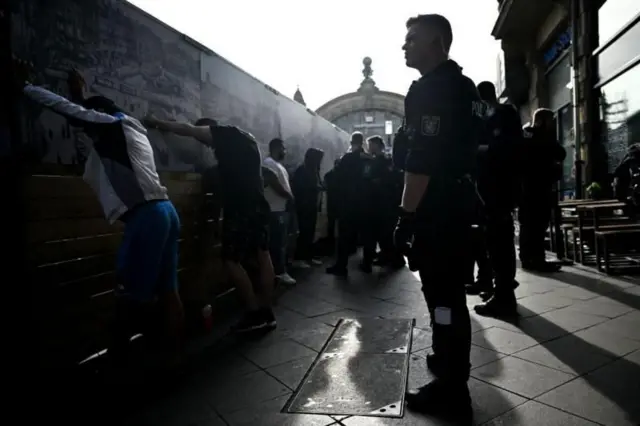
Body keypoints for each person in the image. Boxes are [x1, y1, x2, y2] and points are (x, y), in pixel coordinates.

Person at [16, 66, 184, 366]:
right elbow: (85, 113)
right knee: (168, 290)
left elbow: (71, 111)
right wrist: (82, 95)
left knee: (131, 298)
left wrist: (26, 87)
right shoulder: (132, 129)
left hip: (145, 218)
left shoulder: (110, 124)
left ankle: (134, 365)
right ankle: (173, 357)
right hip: (166, 212)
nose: (87, 130)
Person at [393, 14, 482, 423]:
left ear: (436, 42)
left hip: (437, 209)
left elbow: (422, 160)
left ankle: (452, 386)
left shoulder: (432, 90)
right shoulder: (461, 87)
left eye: (412, 39)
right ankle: (447, 359)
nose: (404, 46)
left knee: (443, 296)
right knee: (445, 295)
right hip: (456, 205)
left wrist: (406, 216)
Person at [143, 115, 277, 333]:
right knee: (263, 255)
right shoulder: (248, 139)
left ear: (209, 129)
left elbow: (187, 129)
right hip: (258, 206)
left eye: (204, 137)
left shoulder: (224, 134)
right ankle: (267, 312)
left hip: (241, 208)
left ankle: (254, 313)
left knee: (230, 261)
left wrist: (159, 123)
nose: (204, 144)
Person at [472, 81, 523, 318]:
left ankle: (504, 296)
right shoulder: (491, 117)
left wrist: (479, 150)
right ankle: (502, 290)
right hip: (491, 190)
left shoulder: (504, 114)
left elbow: (504, 149)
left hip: (499, 189)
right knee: (495, 241)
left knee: (499, 242)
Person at [518, 108, 566, 272]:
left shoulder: (525, 136)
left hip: (527, 188)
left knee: (529, 225)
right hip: (538, 188)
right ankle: (537, 259)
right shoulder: (543, 137)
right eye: (550, 120)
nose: (553, 123)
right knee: (537, 225)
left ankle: (528, 258)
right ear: (541, 121)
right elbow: (561, 153)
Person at [326, 132, 372, 276]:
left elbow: (335, 176)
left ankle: (341, 266)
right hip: (365, 203)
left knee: (344, 235)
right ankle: (367, 264)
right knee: (367, 235)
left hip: (349, 202)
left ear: (352, 142)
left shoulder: (348, 158)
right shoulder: (369, 159)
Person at [263, 138, 296, 285]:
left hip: (281, 209)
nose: (285, 151)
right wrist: (289, 196)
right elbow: (274, 183)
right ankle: (279, 272)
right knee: (277, 243)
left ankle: (279, 269)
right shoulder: (268, 163)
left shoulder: (278, 165)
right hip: (273, 210)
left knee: (281, 242)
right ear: (276, 148)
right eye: (283, 148)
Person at [291, 148, 325, 268]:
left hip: (311, 206)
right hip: (304, 206)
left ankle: (308, 256)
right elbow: (299, 188)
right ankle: (300, 258)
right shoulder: (302, 170)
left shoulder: (313, 170)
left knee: (310, 232)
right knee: (304, 232)